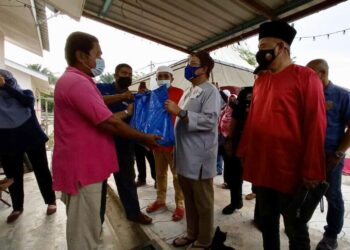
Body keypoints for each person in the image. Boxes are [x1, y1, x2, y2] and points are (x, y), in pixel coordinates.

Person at [53, 32, 159, 250]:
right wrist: (145, 138)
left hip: (90, 165)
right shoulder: (77, 82)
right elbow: (109, 123)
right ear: (82, 56)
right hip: (84, 169)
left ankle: (129, 213)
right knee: (84, 234)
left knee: (89, 226)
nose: (100, 58)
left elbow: (102, 116)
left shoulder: (79, 81)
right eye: (97, 54)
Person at [237, 21, 327, 250]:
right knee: (267, 224)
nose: (260, 52)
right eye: (259, 47)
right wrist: (245, 152)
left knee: (295, 229)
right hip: (264, 168)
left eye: (264, 46)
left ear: (282, 47)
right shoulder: (261, 80)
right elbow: (253, 120)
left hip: (292, 171)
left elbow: (316, 125)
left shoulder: (306, 77)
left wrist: (312, 170)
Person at [166, 51, 221, 249]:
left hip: (199, 157)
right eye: (188, 63)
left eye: (193, 64)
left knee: (203, 202)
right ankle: (191, 233)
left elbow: (209, 121)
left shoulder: (210, 92)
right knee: (189, 199)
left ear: (205, 68)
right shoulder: (189, 91)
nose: (188, 67)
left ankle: (204, 240)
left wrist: (179, 112)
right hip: (184, 155)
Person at [97, 64, 153, 224]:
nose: (127, 76)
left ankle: (134, 213)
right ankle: (97, 220)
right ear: (115, 75)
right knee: (99, 185)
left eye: (130, 74)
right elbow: (97, 106)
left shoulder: (134, 97)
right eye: (123, 73)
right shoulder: (101, 88)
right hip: (101, 144)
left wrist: (143, 100)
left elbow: (141, 119)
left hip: (124, 145)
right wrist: (123, 100)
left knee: (127, 181)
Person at [0, 70, 56, 223]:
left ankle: (51, 201)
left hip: (32, 138)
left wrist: (6, 87)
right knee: (13, 175)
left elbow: (27, 102)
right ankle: (17, 207)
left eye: (5, 80)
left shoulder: (25, 92)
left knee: (41, 170)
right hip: (7, 141)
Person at [307, 59, 350, 250]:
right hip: (308, 154)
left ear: (322, 74)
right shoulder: (307, 95)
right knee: (305, 191)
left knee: (333, 195)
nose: (307, 79)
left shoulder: (342, 95)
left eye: (311, 74)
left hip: (331, 154)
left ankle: (331, 236)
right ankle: (298, 225)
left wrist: (338, 154)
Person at [146, 66, 185, 221]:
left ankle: (180, 205)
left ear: (172, 78)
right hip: (157, 142)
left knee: (177, 176)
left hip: (174, 142)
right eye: (160, 76)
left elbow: (184, 115)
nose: (162, 78)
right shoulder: (153, 95)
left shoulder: (180, 93)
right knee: (159, 174)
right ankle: (160, 200)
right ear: (156, 79)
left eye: (165, 75)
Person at [222, 88, 252, 215]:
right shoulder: (247, 92)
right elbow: (236, 116)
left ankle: (260, 215)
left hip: (262, 141)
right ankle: (236, 202)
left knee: (261, 180)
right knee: (234, 174)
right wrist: (229, 139)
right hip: (239, 138)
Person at [134, 82, 157, 187]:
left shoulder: (151, 98)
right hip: (137, 135)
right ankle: (141, 179)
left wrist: (148, 94)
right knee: (139, 158)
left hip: (149, 135)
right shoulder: (136, 99)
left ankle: (157, 179)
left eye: (144, 88)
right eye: (141, 88)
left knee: (152, 159)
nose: (142, 89)